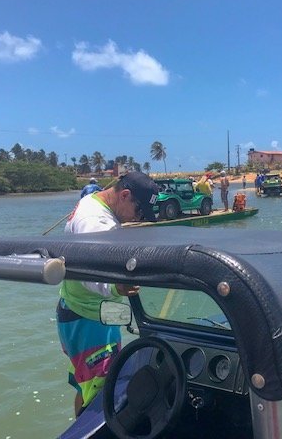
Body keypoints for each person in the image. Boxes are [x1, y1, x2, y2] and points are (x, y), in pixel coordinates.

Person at [57, 171, 159, 416]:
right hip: (89, 319)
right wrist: (115, 287)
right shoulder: (96, 224)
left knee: (85, 386)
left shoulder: (92, 200)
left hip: (82, 311)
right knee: (101, 396)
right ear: (124, 195)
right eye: (140, 212)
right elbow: (89, 271)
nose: (138, 218)